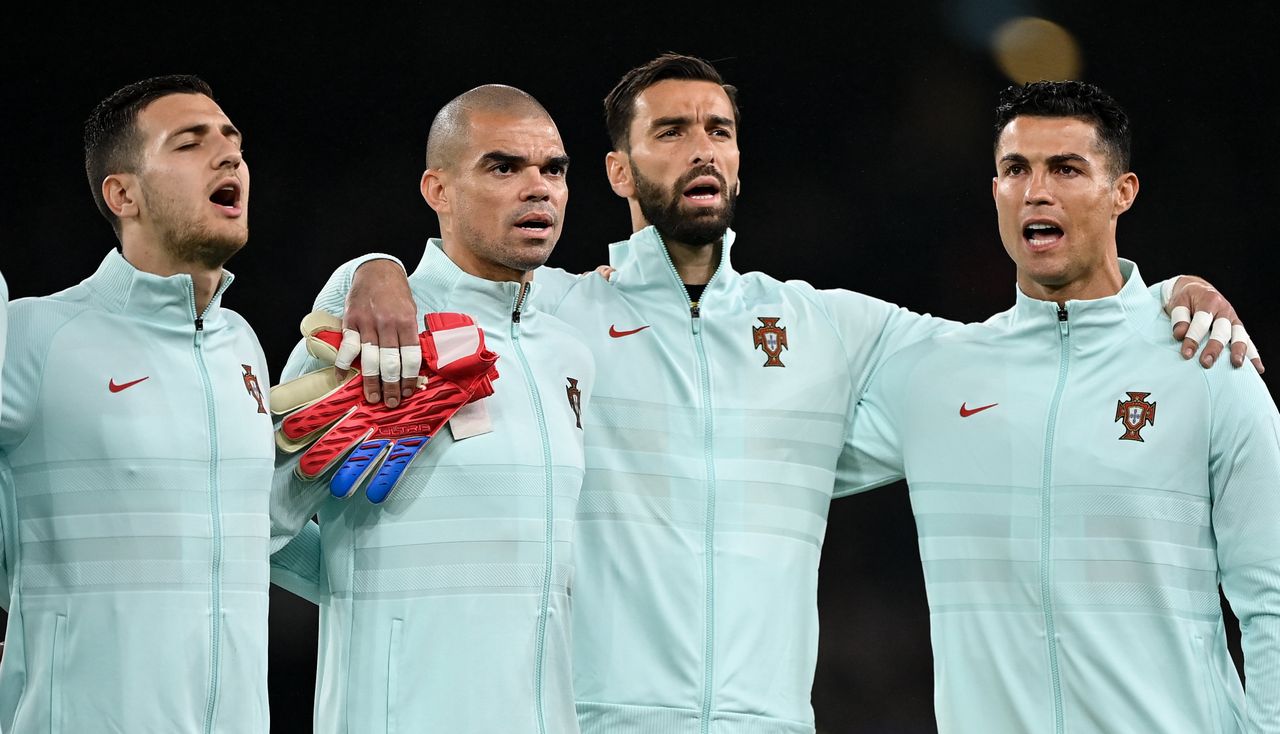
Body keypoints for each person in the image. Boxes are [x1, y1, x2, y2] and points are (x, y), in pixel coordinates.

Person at [344, 54, 1263, 734]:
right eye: (670, 131)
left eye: (720, 131)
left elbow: (1032, 357)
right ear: (619, 173)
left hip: (772, 721)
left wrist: (1166, 303)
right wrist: (372, 266)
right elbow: (443, 289)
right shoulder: (555, 318)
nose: (702, 149)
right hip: (597, 720)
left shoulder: (833, 330)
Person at [847, 80, 1280, 732]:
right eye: (1015, 169)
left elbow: (1272, 596)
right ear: (995, 192)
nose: (1036, 190)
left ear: (1122, 193)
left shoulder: (1207, 362)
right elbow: (762, 456)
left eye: (1067, 169)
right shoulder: (938, 378)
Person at [269, 84, 595, 733]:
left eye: (553, 169)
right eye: (503, 167)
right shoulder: (375, 328)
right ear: (437, 190)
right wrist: (362, 590)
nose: (539, 188)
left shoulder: (568, 353)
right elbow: (251, 522)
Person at [0, 75, 274, 731]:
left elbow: (251, 531)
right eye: (190, 143)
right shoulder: (36, 335)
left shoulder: (243, 348)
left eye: (232, 141)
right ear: (123, 194)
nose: (228, 155)